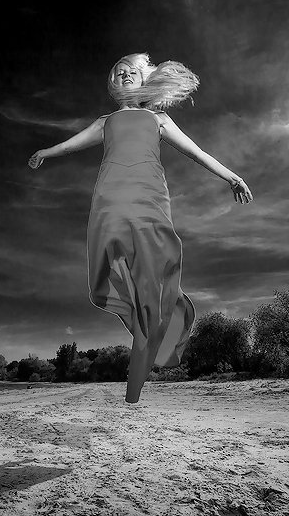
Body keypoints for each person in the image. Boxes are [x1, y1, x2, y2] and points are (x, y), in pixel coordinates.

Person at [28, 53, 253, 403]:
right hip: (110, 198)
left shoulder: (158, 119)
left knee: (154, 268)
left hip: (150, 197)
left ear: (143, 78)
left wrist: (232, 177)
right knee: (104, 269)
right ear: (112, 83)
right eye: (118, 72)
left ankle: (152, 333)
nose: (123, 75)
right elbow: (72, 144)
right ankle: (146, 328)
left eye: (130, 71)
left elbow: (196, 153)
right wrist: (46, 151)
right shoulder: (106, 121)